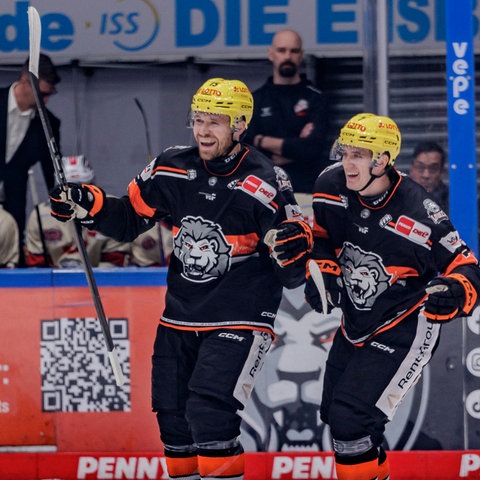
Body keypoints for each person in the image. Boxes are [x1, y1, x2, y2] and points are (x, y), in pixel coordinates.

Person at [48, 78, 311, 480]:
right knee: (172, 418)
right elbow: (128, 218)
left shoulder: (267, 181)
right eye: (198, 119)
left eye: (215, 122)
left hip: (240, 317)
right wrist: (87, 203)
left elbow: (291, 272)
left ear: (240, 125)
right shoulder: (171, 166)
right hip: (180, 316)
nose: (203, 131)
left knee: (209, 412)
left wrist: (295, 248)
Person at [266, 113, 480, 479]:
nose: (347, 163)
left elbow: (466, 264)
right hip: (356, 325)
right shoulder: (329, 185)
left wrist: (458, 290)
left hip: (406, 327)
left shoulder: (418, 209)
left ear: (382, 161)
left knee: (352, 418)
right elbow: (322, 239)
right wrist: (325, 268)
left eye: (359, 156)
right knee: (337, 416)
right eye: (345, 152)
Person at [244, 29, 330, 194]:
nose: (288, 56)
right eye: (282, 50)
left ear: (301, 55)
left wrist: (262, 140)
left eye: (294, 51)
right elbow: (249, 151)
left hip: (307, 190)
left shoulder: (317, 98)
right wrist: (295, 149)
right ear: (271, 54)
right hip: (264, 190)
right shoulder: (254, 100)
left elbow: (313, 148)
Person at [0, 53, 61, 266]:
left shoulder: (49, 123)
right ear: (25, 82)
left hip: (16, 202)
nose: (46, 100)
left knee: (11, 260)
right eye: (43, 93)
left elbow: (52, 172)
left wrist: (60, 205)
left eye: (49, 95)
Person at [25, 156, 131, 268]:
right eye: (70, 189)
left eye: (82, 187)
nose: (77, 196)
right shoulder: (40, 216)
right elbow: (37, 268)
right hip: (56, 281)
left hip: (99, 280)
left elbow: (115, 266)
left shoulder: (112, 211)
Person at [409, 140, 449, 211]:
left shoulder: (451, 201)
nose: (426, 175)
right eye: (420, 168)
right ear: (411, 169)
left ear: (442, 172)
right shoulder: (400, 197)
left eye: (433, 169)